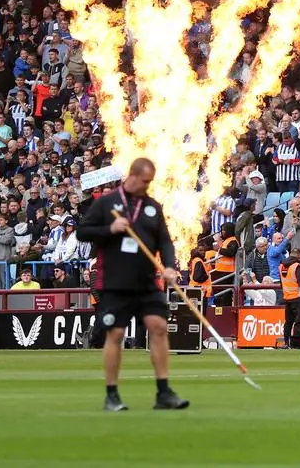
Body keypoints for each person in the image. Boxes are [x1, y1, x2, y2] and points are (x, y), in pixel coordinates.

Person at [75, 158, 189, 411]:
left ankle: (163, 392)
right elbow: (82, 232)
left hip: (147, 280)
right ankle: (112, 394)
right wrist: (110, 228)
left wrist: (169, 266)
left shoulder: (152, 207)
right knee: (115, 333)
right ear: (133, 176)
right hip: (115, 281)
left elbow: (165, 242)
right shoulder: (107, 203)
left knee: (158, 326)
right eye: (145, 181)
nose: (147, 186)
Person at [280, 253, 300, 348]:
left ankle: (286, 343)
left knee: (288, 322)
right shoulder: (296, 266)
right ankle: (295, 344)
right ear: (299, 256)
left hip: (287, 297)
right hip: (297, 297)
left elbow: (282, 283)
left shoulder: (281, 266)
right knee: (299, 321)